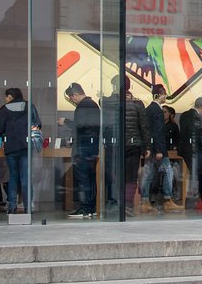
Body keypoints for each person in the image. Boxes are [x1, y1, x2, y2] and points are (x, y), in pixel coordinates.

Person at [100, 76, 148, 216]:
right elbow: (144, 126)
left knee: (113, 174)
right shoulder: (138, 104)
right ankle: (127, 206)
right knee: (131, 177)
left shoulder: (108, 102)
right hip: (133, 144)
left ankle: (114, 203)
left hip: (114, 144)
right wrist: (147, 147)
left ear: (115, 86)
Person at [0, 87, 40, 215]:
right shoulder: (29, 106)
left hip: (11, 146)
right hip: (26, 146)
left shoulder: (4, 109)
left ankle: (12, 206)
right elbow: (37, 123)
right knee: (26, 177)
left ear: (10, 96)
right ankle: (28, 207)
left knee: (13, 177)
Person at [138, 85, 177, 214]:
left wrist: (149, 147)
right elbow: (157, 131)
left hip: (151, 147)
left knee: (148, 173)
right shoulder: (157, 110)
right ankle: (167, 200)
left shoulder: (148, 109)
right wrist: (159, 149)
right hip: (158, 148)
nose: (165, 96)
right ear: (160, 94)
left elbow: (147, 131)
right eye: (164, 94)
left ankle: (144, 201)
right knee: (168, 171)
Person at [62, 82, 100, 218]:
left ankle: (85, 207)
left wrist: (65, 121)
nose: (72, 101)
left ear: (75, 94)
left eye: (71, 98)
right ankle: (91, 206)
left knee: (83, 178)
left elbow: (80, 126)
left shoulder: (84, 106)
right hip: (92, 146)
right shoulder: (93, 104)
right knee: (90, 178)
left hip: (83, 147)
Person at [179, 98, 202, 209]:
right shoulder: (197, 117)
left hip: (184, 149)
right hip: (193, 150)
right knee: (195, 175)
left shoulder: (184, 115)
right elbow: (198, 136)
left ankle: (188, 199)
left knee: (189, 174)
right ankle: (194, 199)